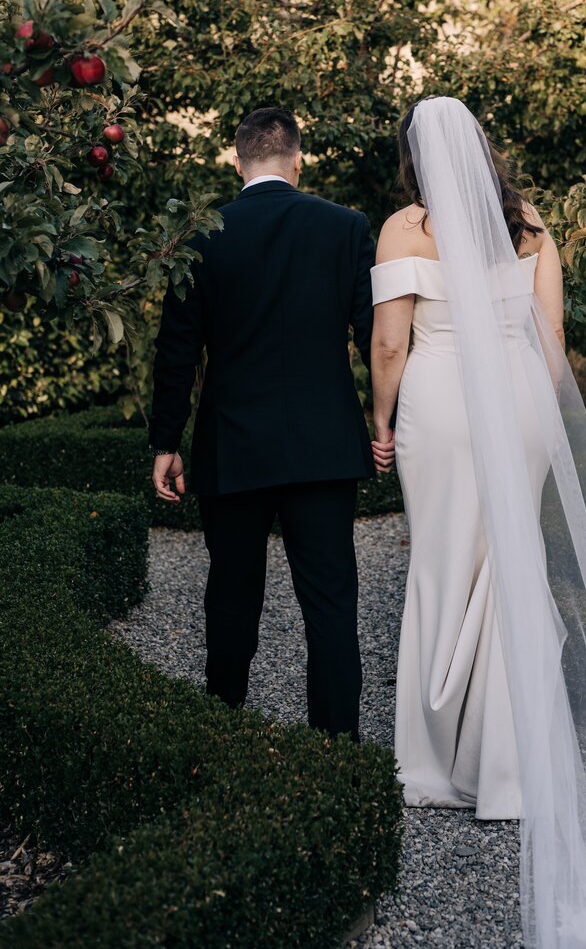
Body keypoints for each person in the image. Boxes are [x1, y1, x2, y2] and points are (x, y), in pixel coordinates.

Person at [369, 96, 586, 948]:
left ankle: (434, 764)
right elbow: (550, 334)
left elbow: (388, 345)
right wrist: (547, 423)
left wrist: (379, 422)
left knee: (446, 568)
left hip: (441, 409)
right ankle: (511, 774)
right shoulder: (531, 227)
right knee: (508, 568)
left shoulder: (405, 228)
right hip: (519, 406)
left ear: (416, 155)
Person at [148, 107, 375, 740]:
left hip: (234, 445)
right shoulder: (347, 227)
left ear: (236, 159)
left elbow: (177, 349)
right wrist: (385, 425)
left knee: (231, 596)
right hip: (324, 445)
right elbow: (375, 336)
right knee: (331, 606)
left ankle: (222, 736)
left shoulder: (201, 236)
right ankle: (337, 754)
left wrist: (167, 441)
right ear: (297, 159)